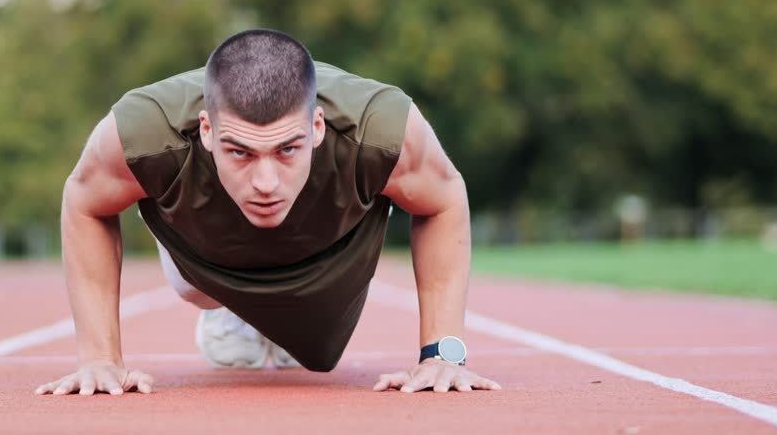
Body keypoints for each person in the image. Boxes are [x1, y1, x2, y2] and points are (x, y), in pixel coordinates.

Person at [36, 29, 500, 396]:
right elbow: (85, 201)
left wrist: (442, 354)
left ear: (316, 126)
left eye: (287, 149)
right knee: (193, 288)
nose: (265, 183)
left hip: (329, 249)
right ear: (208, 130)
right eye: (240, 152)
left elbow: (443, 198)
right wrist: (99, 358)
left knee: (318, 352)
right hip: (204, 250)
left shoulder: (381, 126)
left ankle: (272, 324)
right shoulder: (146, 130)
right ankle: (227, 312)